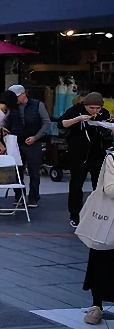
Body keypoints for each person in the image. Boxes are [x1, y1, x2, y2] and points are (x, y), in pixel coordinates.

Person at [57, 92, 112, 228]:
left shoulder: (103, 113)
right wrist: (79, 119)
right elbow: (61, 123)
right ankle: (75, 215)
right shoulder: (75, 110)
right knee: (76, 185)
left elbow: (105, 128)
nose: (94, 111)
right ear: (85, 105)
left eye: (97, 108)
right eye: (91, 108)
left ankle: (97, 213)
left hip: (97, 154)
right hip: (78, 154)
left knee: (98, 186)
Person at [5, 84, 52, 207]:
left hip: (33, 142)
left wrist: (36, 137)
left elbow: (46, 122)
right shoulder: (12, 107)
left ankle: (33, 197)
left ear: (23, 94)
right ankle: (19, 196)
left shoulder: (37, 105)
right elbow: (5, 122)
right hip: (16, 141)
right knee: (17, 171)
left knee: (34, 172)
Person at [83, 151, 114, 325]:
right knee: (102, 261)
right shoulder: (112, 158)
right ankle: (97, 305)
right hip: (109, 221)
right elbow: (109, 189)